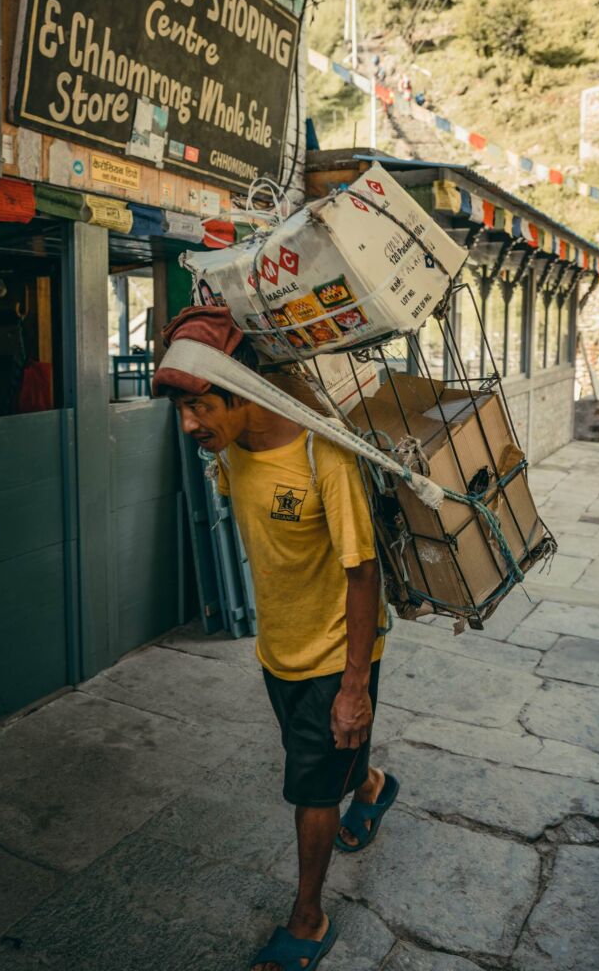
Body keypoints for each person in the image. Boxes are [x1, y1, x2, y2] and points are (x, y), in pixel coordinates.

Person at [153, 306, 400, 971]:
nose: (190, 425)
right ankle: (372, 784)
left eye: (201, 407)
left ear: (241, 393)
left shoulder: (325, 454)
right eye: (183, 410)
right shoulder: (229, 451)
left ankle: (308, 918)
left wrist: (354, 685)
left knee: (311, 791)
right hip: (277, 651)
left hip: (335, 652)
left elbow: (363, 570)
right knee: (326, 765)